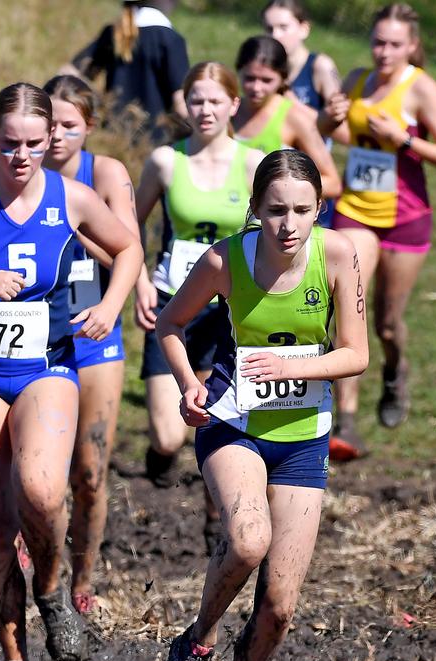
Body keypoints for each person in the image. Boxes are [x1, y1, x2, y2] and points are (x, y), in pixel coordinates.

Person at [152, 149, 368, 661]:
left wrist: (292, 368)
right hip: (233, 422)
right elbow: (170, 325)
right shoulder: (224, 261)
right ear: (254, 210)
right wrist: (187, 386)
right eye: (275, 211)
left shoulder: (339, 255)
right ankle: (196, 642)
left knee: (279, 606)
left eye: (302, 210)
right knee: (248, 540)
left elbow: (356, 354)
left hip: (303, 435)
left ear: (319, 209)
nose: (289, 225)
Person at [0, 82, 142, 661]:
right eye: (8, 145)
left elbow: (127, 251)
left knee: (44, 490)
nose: (20, 157)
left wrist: (109, 308)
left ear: (51, 137)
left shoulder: (72, 198)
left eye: (32, 143)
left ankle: (51, 590)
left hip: (47, 363)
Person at [322, 2, 436, 459]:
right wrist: (330, 117)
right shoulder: (358, 81)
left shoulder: (421, 89)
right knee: (351, 310)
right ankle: (347, 421)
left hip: (405, 217)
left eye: (394, 44)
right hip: (357, 209)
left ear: (412, 46)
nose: (384, 52)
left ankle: (395, 369)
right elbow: (339, 136)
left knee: (385, 321)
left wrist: (403, 138)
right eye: (378, 42)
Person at [133, 62, 264, 551]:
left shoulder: (254, 164)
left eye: (214, 101)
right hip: (173, 305)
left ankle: (216, 520)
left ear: (234, 105)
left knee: (218, 415)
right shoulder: (166, 161)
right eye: (196, 101)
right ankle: (161, 456)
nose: (204, 110)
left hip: (228, 311)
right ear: (184, 105)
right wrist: (140, 281)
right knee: (169, 435)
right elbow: (128, 228)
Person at [42, 74, 141, 615]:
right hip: (36, 338)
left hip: (95, 335)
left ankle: (85, 575)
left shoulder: (104, 174)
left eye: (69, 126)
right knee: (39, 469)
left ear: (89, 127)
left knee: (88, 469)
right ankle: (38, 556)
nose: (56, 136)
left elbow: (126, 252)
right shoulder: (19, 174)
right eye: (48, 124)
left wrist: (75, 233)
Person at [232, 36, 342, 202]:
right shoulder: (228, 112)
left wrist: (281, 189)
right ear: (238, 71)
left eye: (267, 80)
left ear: (283, 78)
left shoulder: (295, 118)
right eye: (249, 78)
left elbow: (333, 183)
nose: (256, 88)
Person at [62, 0, 190, 142]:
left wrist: (99, 103)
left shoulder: (114, 33)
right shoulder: (170, 39)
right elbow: (181, 104)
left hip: (113, 138)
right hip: (154, 144)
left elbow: (67, 74)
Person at [262, 0, 343, 119]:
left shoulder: (320, 66)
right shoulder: (264, 70)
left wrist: (294, 105)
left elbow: (341, 127)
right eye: (269, 29)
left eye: (283, 27)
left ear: (304, 29)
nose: (275, 35)